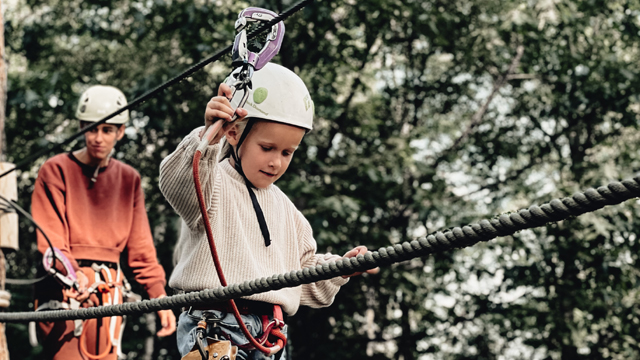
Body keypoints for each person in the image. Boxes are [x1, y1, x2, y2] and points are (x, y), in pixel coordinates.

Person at [159, 63, 378, 360]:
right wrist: (209, 135)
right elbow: (179, 181)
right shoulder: (212, 182)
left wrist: (340, 268)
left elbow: (300, 275)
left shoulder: (287, 211)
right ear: (234, 134)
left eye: (287, 152)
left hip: (269, 333)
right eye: (267, 147)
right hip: (215, 325)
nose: (276, 162)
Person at [31, 85, 177, 360]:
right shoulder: (55, 170)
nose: (98, 138)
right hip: (65, 294)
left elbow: (142, 251)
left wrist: (161, 300)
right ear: (81, 127)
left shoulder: (129, 179)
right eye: (91, 128)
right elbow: (51, 241)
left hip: (109, 296)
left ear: (120, 132)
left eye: (107, 130)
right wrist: (74, 276)